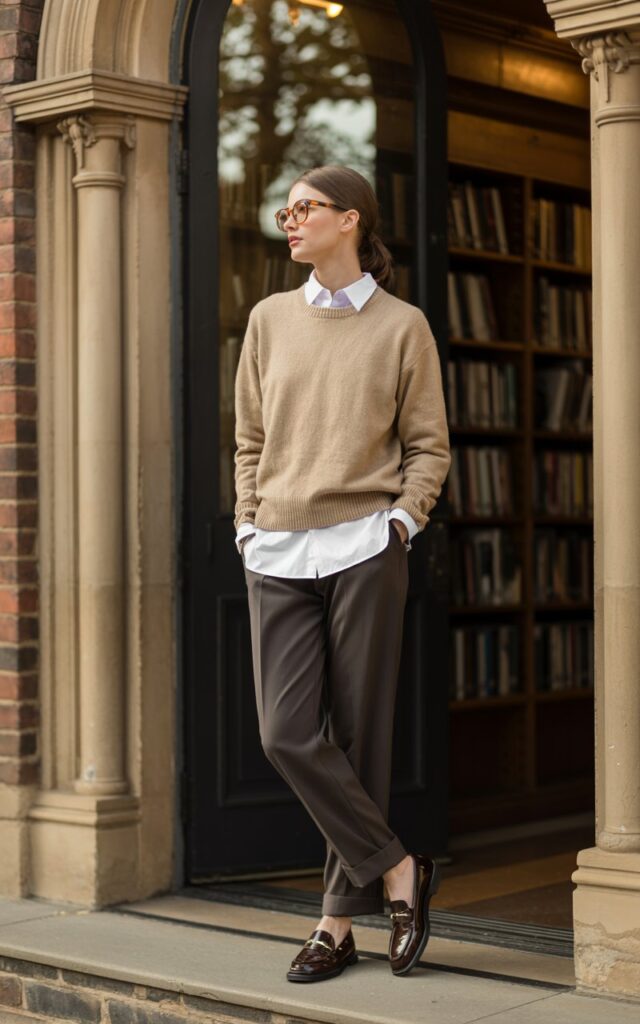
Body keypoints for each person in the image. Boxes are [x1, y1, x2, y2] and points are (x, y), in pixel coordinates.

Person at [233, 164, 451, 981]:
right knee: (286, 731)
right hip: (280, 549)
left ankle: (334, 925)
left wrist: (402, 520)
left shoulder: (404, 327)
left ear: (350, 220)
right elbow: (248, 438)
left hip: (365, 543)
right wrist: (247, 526)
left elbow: (429, 443)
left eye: (305, 208)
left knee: (360, 739)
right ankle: (399, 868)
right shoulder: (268, 320)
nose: (290, 220)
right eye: (286, 210)